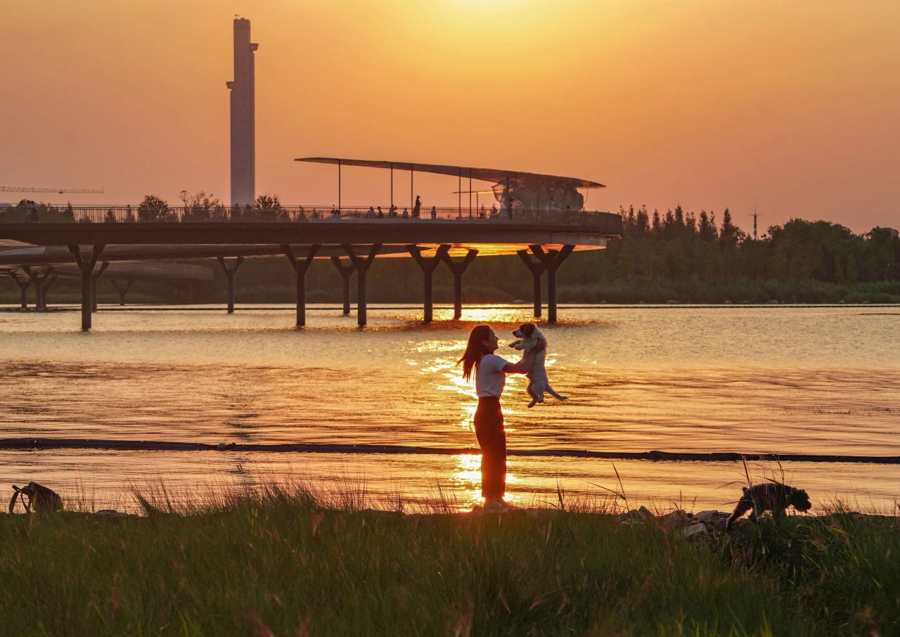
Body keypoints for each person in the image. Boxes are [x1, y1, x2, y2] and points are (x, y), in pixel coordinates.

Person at [457, 325, 538, 510]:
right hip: (489, 409)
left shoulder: (484, 360)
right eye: (493, 336)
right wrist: (534, 348)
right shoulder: (491, 359)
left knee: (494, 454)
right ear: (485, 342)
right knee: (495, 455)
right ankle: (493, 499)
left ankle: (494, 498)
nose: (497, 339)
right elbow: (522, 368)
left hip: (487, 408)